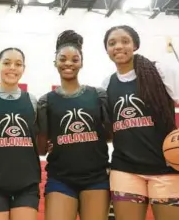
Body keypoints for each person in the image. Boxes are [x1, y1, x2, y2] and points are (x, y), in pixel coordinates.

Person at [102, 25, 179, 220]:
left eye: (125, 41)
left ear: (135, 45)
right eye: (112, 43)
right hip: (125, 170)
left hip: (166, 167)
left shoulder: (159, 71)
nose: (118, 46)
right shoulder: (106, 84)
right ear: (107, 50)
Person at [37, 30, 111, 220]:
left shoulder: (98, 95)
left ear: (81, 62)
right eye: (63, 59)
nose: (68, 63)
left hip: (96, 178)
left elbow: (110, 135)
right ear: (55, 62)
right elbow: (42, 149)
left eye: (74, 59)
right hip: (60, 178)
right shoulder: (46, 101)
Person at [0, 48, 41, 220]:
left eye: (18, 64)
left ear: (23, 69)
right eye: (7, 63)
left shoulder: (32, 101)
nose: (12, 67)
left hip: (26, 184)